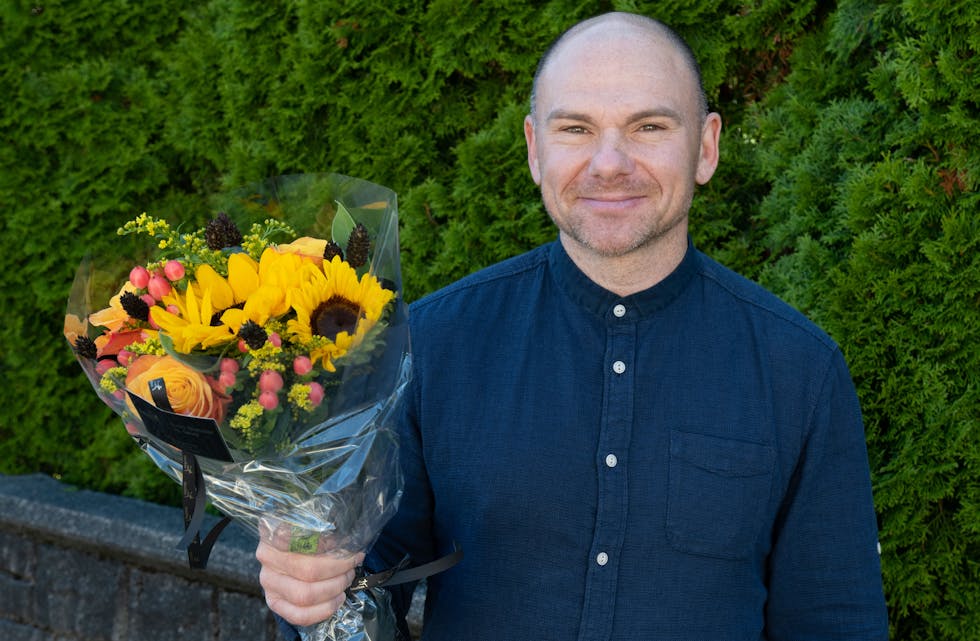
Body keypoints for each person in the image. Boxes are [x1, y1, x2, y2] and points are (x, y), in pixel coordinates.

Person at [257, 11, 889, 640]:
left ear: (706, 147)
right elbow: (367, 578)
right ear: (536, 149)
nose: (609, 163)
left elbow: (835, 620)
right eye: (577, 128)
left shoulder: (799, 369)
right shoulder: (431, 344)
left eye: (648, 126)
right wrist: (311, 582)